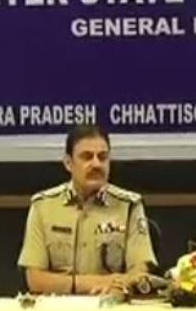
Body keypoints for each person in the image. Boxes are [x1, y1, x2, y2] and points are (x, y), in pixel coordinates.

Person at [18, 124, 157, 294]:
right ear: (68, 163)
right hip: (57, 307)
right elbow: (36, 279)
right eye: (87, 157)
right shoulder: (43, 206)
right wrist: (94, 283)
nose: (96, 164)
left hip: (111, 305)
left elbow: (139, 273)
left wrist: (117, 287)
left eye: (102, 157)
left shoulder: (129, 206)